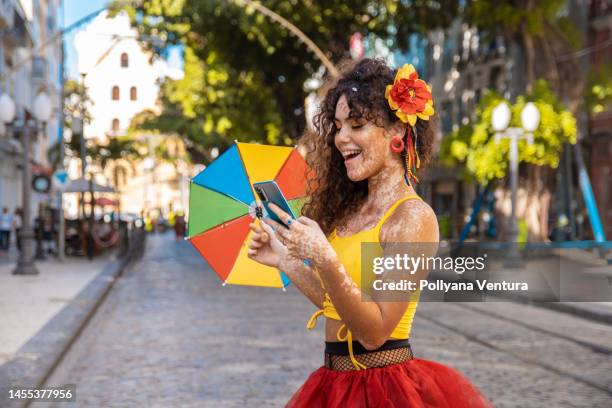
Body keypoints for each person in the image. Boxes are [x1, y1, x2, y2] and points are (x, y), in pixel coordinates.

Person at [247, 59, 492, 407]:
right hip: (333, 384)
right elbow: (339, 306)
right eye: (337, 126)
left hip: (385, 390)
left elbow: (375, 333)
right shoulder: (348, 211)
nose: (340, 138)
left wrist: (325, 257)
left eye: (357, 125)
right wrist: (287, 261)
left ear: (397, 132)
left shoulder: (412, 218)